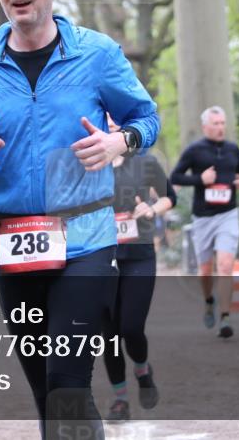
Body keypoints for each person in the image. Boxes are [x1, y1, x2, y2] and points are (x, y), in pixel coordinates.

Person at [0, 0, 160, 439]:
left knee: (67, 382)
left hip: (84, 239)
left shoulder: (96, 55)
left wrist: (118, 143)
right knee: (48, 395)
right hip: (12, 243)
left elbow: (146, 121)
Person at [103, 114, 176, 422]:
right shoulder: (87, 164)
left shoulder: (144, 162)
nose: (107, 121)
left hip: (138, 255)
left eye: (112, 117)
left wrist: (151, 208)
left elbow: (170, 197)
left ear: (122, 125)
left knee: (131, 328)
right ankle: (120, 400)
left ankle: (143, 372)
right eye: (101, 116)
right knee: (108, 336)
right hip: (99, 259)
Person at [170, 106, 239, 339]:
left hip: (228, 215)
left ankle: (225, 318)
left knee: (225, 265)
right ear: (205, 126)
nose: (220, 127)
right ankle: (209, 301)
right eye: (215, 124)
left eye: (223, 123)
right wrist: (200, 179)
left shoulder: (233, 150)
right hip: (203, 218)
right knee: (205, 270)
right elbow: (175, 177)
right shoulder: (195, 151)